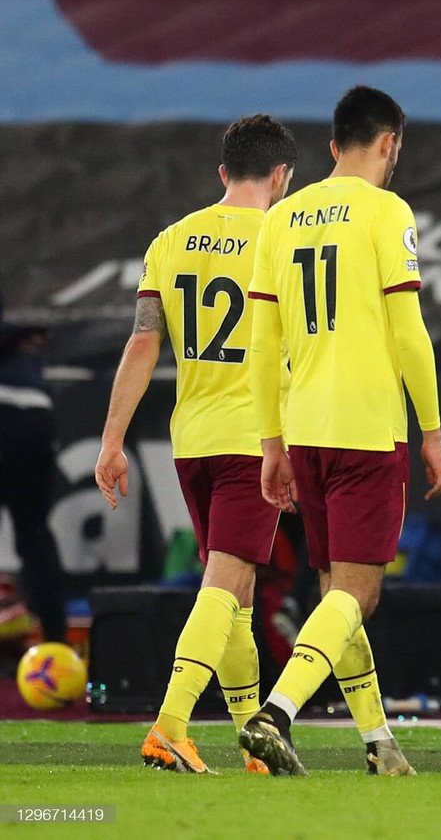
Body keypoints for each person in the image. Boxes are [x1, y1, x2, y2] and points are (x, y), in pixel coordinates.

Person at [238, 86, 441, 776]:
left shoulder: (281, 217)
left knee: (337, 590)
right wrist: (434, 429)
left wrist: (272, 441)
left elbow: (264, 343)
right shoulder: (386, 211)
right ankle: (276, 711)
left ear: (333, 146)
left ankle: (378, 742)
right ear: (390, 144)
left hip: (305, 425)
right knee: (357, 592)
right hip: (366, 424)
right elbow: (410, 331)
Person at [94, 115, 296, 774]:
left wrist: (112, 441)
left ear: (221, 173)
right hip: (252, 436)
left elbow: (144, 342)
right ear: (281, 177)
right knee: (226, 582)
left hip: (195, 441)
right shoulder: (283, 239)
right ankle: (170, 725)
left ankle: (250, 739)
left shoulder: (171, 240)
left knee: (235, 594)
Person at [0, 300, 66, 646]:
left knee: (34, 535)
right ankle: (56, 643)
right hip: (38, 419)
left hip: (18, 415)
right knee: (35, 535)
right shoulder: (21, 350)